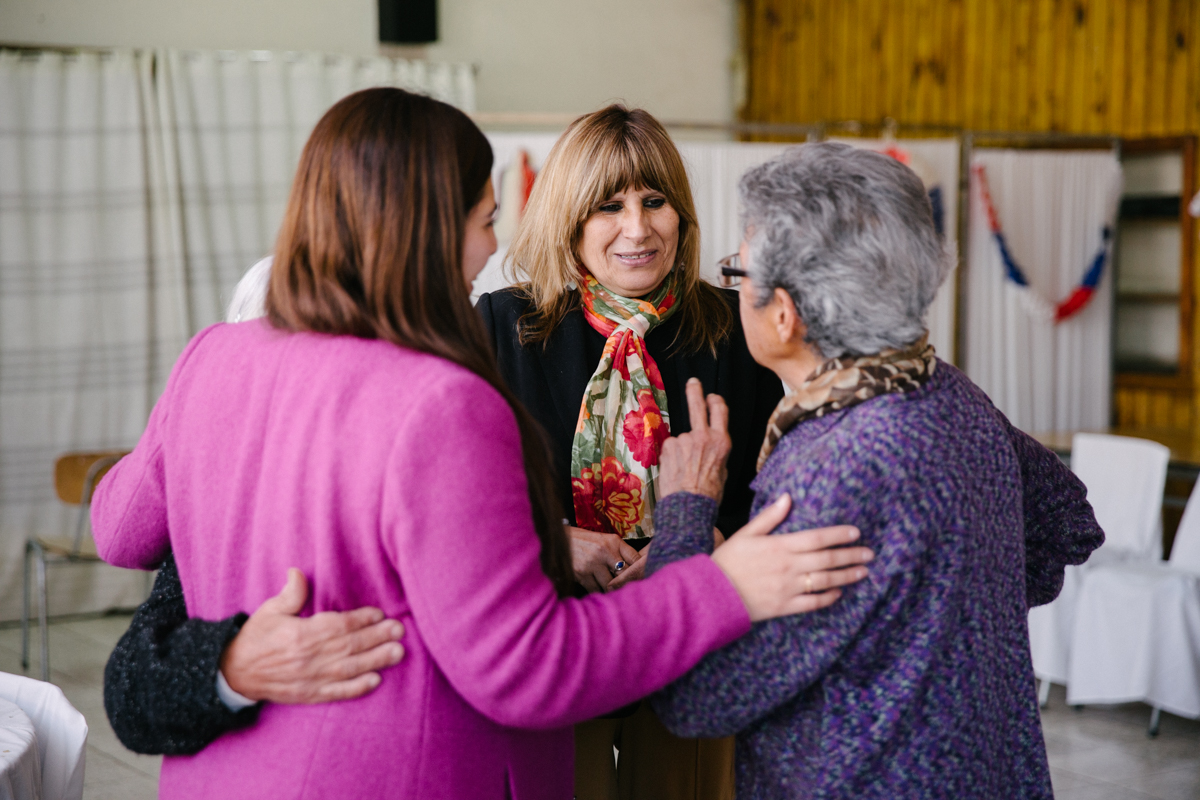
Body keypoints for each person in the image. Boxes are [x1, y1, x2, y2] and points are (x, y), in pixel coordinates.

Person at [91, 89, 874, 800]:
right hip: (410, 760)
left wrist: (228, 659)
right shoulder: (444, 392)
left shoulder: (212, 355)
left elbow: (121, 532)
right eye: (486, 221)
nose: (491, 248)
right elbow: (525, 667)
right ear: (430, 232)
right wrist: (719, 584)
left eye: (653, 202)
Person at [642, 142, 1105, 799]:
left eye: (737, 273)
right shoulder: (952, 394)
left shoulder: (831, 467)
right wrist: (943, 617)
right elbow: (1069, 524)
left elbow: (695, 698)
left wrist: (685, 512)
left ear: (784, 313)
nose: (733, 291)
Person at [475, 105, 783, 800]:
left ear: (682, 214)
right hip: (556, 638)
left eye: (654, 201)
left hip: (695, 639)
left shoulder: (738, 328)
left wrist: (710, 540)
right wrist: (552, 540)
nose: (638, 229)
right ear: (569, 219)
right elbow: (458, 501)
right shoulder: (502, 327)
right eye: (609, 206)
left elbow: (776, 494)